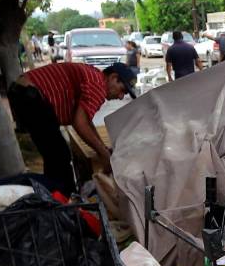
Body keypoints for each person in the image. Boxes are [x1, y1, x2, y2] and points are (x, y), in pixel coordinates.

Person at [8, 61, 136, 194]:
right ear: (113, 78)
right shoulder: (98, 85)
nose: (121, 97)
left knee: (55, 158)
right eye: (122, 90)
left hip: (22, 92)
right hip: (30, 96)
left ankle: (56, 198)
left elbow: (86, 121)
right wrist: (104, 155)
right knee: (60, 158)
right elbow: (80, 124)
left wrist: (103, 149)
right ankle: (62, 200)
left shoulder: (94, 77)